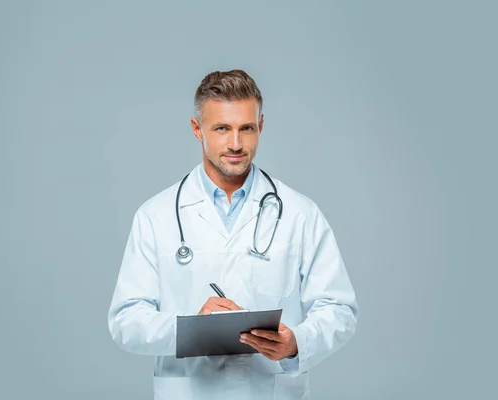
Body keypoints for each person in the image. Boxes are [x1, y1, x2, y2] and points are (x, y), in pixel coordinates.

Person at [107, 69, 358, 400]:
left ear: (261, 126)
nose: (236, 144)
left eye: (247, 128)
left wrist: (296, 342)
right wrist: (187, 329)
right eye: (222, 128)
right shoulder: (155, 216)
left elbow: (339, 309)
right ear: (198, 129)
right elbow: (125, 322)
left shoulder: (300, 214)